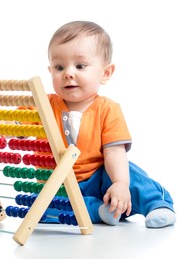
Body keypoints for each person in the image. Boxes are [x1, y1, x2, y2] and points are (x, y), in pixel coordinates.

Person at [43, 21, 176, 228]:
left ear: (105, 73)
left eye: (80, 66)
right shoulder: (43, 105)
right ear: (50, 71)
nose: (68, 73)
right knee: (40, 205)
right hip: (58, 185)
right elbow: (20, 127)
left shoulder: (107, 109)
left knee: (130, 174)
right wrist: (1, 123)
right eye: (59, 67)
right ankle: (100, 211)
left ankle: (156, 204)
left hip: (100, 177)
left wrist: (120, 184)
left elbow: (114, 152)